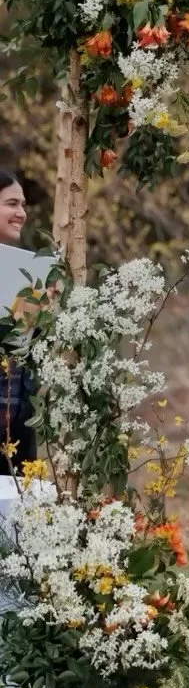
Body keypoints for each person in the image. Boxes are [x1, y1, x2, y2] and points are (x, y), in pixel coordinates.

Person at [0, 172, 37, 477]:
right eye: (12, 204)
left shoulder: (26, 270)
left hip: (16, 425)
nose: (21, 213)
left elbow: (21, 351)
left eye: (23, 204)